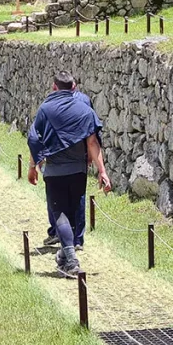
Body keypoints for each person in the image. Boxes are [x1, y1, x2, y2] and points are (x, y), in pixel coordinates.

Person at [28, 72, 111, 278]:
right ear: (73, 87)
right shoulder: (84, 109)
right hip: (78, 169)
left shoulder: (46, 109)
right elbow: (93, 142)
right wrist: (102, 171)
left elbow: (35, 138)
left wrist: (33, 166)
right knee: (74, 211)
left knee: (60, 214)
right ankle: (65, 257)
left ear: (54, 87)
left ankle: (72, 261)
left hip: (54, 170)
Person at [44, 86, 94, 249]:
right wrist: (90, 155)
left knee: (57, 204)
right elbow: (90, 133)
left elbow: (39, 135)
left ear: (56, 87)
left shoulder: (50, 104)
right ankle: (77, 239)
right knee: (77, 200)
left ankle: (58, 234)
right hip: (78, 160)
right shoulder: (85, 101)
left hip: (56, 162)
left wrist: (35, 162)